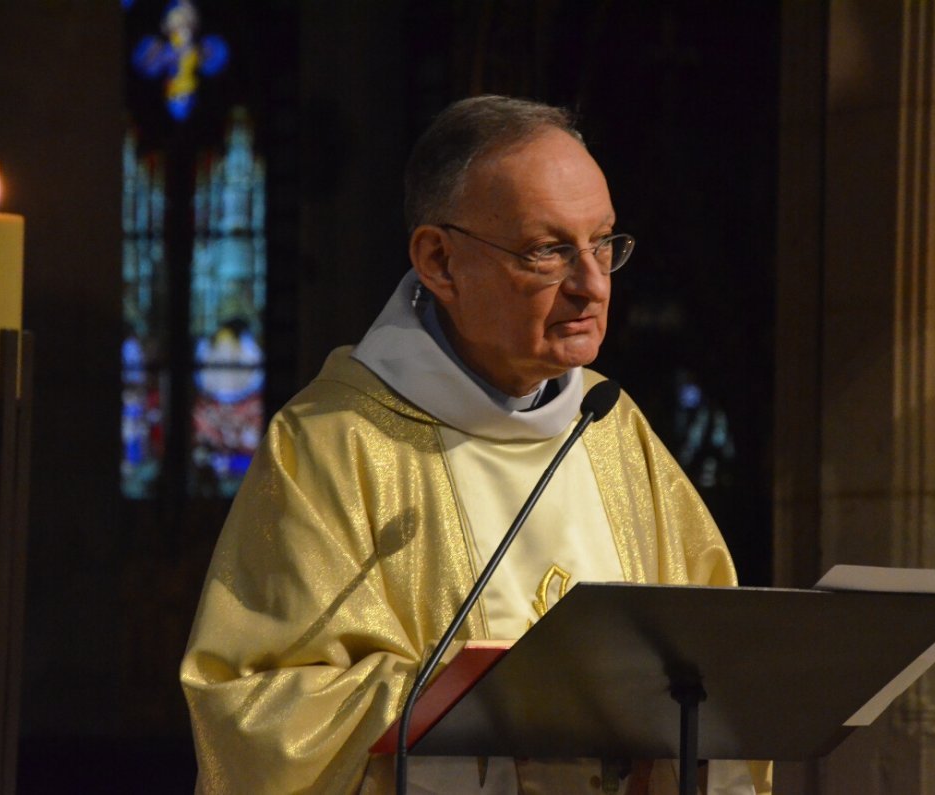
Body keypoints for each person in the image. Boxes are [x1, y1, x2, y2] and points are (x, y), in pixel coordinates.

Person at [180, 95, 772, 794]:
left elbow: (717, 671)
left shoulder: (613, 427)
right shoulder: (332, 445)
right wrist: (494, 731)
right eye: (548, 251)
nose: (591, 285)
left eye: (604, 243)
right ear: (439, 260)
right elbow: (255, 714)